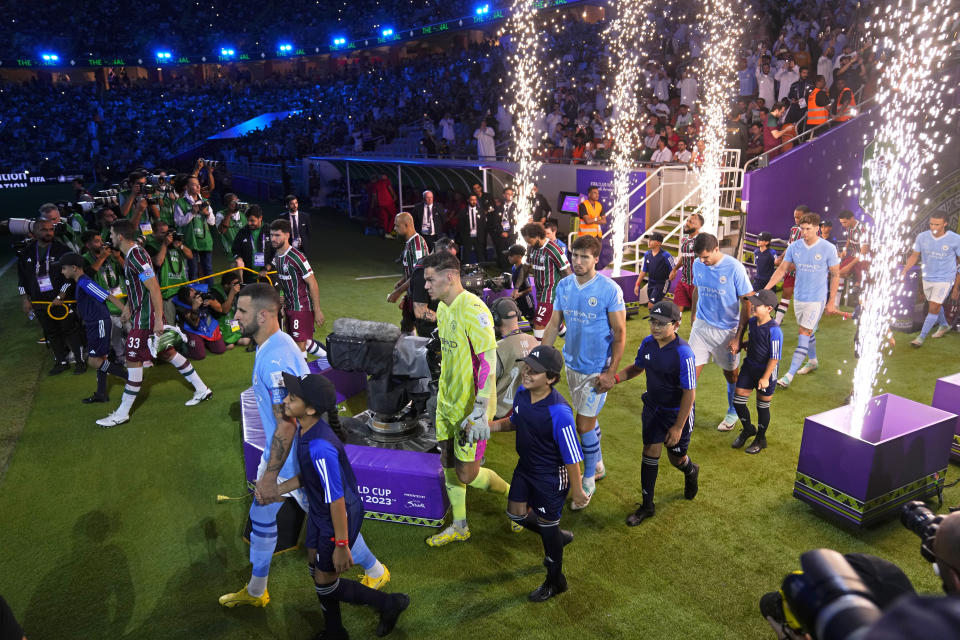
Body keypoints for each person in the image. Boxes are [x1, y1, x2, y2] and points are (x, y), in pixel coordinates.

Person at [264, 373, 408, 637]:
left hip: (336, 517)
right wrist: (279, 489)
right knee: (315, 567)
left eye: (292, 398)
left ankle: (389, 603)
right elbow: (311, 477)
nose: (285, 400)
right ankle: (335, 630)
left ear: (310, 409)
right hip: (322, 514)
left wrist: (342, 545)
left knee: (324, 581)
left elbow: (337, 501)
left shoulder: (320, 446)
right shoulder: (306, 429)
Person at [219, 282, 310, 608]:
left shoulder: (274, 360)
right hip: (285, 454)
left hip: (296, 458)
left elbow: (287, 423)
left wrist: (271, 477)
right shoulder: (274, 343)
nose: (236, 315)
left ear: (263, 315)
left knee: (332, 528)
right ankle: (257, 591)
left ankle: (374, 571)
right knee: (261, 516)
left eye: (242, 311)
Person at [421, 251, 511, 547]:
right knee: (448, 464)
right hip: (447, 403)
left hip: (471, 408)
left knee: (468, 473)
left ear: (450, 277)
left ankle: (516, 496)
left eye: (430, 279)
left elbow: (488, 361)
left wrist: (481, 408)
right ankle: (460, 525)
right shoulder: (445, 308)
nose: (426, 286)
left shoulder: (474, 309)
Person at [487, 345, 586, 602]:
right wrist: (490, 427)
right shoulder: (522, 392)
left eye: (535, 371)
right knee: (515, 514)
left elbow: (572, 458)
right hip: (526, 467)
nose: (527, 373)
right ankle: (555, 535)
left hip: (550, 477)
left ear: (551, 379)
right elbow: (513, 422)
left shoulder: (560, 413)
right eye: (527, 366)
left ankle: (556, 581)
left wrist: (577, 490)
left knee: (547, 526)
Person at [95, 219, 212, 428]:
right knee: (168, 354)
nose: (109, 237)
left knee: (133, 363)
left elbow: (154, 288)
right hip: (142, 316)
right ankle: (202, 389)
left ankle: (122, 413)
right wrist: (129, 308)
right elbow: (137, 287)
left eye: (111, 234)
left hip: (146, 322)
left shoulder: (137, 255)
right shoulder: (132, 255)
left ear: (120, 236)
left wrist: (158, 319)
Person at [542, 235, 626, 508]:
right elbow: (554, 324)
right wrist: (541, 358)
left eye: (584, 257)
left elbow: (620, 333)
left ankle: (588, 475)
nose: (578, 262)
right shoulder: (564, 286)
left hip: (596, 369)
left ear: (596, 259)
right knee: (587, 418)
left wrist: (611, 373)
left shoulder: (609, 289)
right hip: (573, 364)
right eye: (575, 256)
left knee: (583, 423)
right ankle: (598, 463)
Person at [614, 300, 698, 525]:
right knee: (650, 451)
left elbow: (689, 394)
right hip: (653, 409)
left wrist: (678, 426)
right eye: (653, 321)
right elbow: (637, 367)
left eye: (662, 323)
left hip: (676, 413)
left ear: (676, 324)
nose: (655, 326)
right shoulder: (647, 343)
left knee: (676, 458)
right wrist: (615, 378)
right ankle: (646, 505)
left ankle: (690, 471)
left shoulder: (684, 353)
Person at [764, 212, 840, 389]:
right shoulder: (794, 247)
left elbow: (835, 275)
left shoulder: (828, 248)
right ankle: (813, 361)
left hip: (816, 299)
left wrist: (831, 301)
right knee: (808, 331)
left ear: (817, 228)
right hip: (799, 297)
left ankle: (789, 375)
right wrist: (766, 289)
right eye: (802, 229)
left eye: (808, 229)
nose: (804, 232)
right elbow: (782, 270)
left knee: (804, 332)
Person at [689, 233, 754, 431]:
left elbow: (748, 301)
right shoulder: (698, 264)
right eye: (700, 257)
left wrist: (738, 336)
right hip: (701, 327)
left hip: (727, 330)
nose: (703, 261)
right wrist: (693, 316)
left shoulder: (735, 268)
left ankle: (733, 411)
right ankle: (686, 416)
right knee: (689, 373)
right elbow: (697, 289)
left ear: (717, 249)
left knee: (731, 375)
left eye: (706, 257)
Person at [55, 253, 128, 403]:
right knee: (100, 358)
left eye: (64, 268)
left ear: (74, 268)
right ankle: (101, 394)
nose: (62, 272)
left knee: (94, 361)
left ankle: (131, 379)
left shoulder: (84, 282)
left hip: (98, 323)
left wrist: (125, 311)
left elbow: (108, 296)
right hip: (94, 323)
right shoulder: (81, 282)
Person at [17, 218, 85, 375]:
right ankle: (61, 362)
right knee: (51, 332)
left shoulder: (62, 250)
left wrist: (61, 295)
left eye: (51, 229)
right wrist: (25, 299)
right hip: (39, 301)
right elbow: (22, 279)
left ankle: (80, 362)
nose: (49, 233)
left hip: (62, 301)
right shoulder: (26, 252)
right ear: (34, 232)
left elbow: (71, 277)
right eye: (44, 229)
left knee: (71, 330)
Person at [729, 289, 782, 454]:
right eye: (754, 303)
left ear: (769, 309)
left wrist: (766, 378)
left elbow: (774, 357)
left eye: (757, 304)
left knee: (762, 407)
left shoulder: (775, 330)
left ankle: (761, 438)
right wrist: (743, 345)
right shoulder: (752, 322)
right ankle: (748, 429)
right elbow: (755, 340)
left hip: (765, 372)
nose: (753, 306)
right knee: (738, 401)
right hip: (749, 367)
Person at [268, 219, 326, 358]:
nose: (273, 239)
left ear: (287, 235)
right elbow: (283, 281)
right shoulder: (277, 257)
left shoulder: (297, 257)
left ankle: (302, 378)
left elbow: (313, 283)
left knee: (298, 346)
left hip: (301, 307)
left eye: (277, 235)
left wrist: (317, 310)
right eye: (271, 235)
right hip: (289, 306)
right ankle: (331, 360)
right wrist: (282, 299)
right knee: (301, 343)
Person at [900, 212, 960, 347]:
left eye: (937, 224)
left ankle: (920, 338)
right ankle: (944, 325)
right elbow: (915, 255)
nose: (933, 226)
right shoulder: (922, 237)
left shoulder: (955, 239)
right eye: (931, 223)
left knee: (933, 307)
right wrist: (905, 270)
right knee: (935, 305)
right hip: (927, 277)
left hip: (945, 278)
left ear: (945, 224)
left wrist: (956, 285)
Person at [81, 229, 128, 361]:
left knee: (132, 330)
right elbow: (87, 276)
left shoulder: (112, 255)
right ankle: (120, 357)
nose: (102, 244)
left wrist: (118, 257)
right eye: (97, 242)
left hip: (123, 302)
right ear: (87, 245)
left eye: (101, 240)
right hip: (104, 305)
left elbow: (128, 271)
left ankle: (137, 355)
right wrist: (102, 258)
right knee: (114, 335)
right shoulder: (84, 259)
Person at [521, 222, 571, 340]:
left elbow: (568, 273)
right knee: (553, 322)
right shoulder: (533, 248)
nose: (528, 244)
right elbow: (525, 268)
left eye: (529, 241)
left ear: (537, 236)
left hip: (551, 294)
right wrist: (517, 288)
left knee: (538, 324)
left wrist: (570, 294)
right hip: (540, 293)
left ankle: (538, 354)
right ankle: (573, 343)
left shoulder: (554, 249)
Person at [491, 297, 539, 419]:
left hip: (502, 412)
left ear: (496, 319)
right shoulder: (533, 341)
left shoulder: (497, 348)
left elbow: (486, 384)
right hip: (529, 407)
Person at [144, 219, 193, 334]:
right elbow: (157, 262)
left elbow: (190, 255)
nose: (167, 235)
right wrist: (165, 245)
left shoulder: (176, 244)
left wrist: (180, 246)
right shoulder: (151, 246)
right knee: (169, 325)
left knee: (186, 321)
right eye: (163, 233)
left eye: (168, 232)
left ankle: (185, 345)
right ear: (154, 233)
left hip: (182, 289)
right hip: (166, 291)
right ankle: (169, 347)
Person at [387, 212, 429, 333]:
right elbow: (412, 271)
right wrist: (402, 281)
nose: (394, 228)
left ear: (406, 225)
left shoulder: (417, 246)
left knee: (422, 330)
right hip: (413, 295)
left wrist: (398, 293)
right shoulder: (410, 243)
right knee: (406, 325)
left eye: (396, 226)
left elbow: (419, 275)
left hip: (420, 298)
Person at [173, 174, 216, 280]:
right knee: (193, 270)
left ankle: (209, 293)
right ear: (186, 187)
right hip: (190, 241)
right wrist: (192, 212)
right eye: (194, 185)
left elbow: (212, 223)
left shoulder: (205, 202)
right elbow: (179, 222)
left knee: (208, 269)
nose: (198, 187)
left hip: (205, 241)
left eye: (198, 185)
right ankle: (194, 295)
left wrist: (207, 214)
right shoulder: (180, 202)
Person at [773, 205, 811, 324]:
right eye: (795, 217)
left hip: (806, 270)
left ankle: (810, 322)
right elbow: (790, 245)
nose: (796, 220)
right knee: (786, 293)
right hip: (792, 269)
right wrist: (781, 256)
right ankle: (777, 321)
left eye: (799, 217)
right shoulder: (794, 229)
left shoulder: (814, 231)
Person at [172, 286, 228, 360]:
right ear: (187, 300)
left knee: (220, 350)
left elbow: (220, 309)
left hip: (208, 325)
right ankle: (185, 347)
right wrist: (195, 309)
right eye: (193, 297)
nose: (197, 297)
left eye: (195, 294)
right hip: (193, 330)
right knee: (199, 355)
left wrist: (211, 302)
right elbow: (195, 325)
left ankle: (205, 343)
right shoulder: (182, 307)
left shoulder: (203, 293)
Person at [667, 212, 704, 314]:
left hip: (697, 283)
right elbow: (684, 257)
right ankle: (673, 329)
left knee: (697, 314)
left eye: (691, 222)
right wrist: (674, 270)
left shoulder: (702, 240)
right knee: (676, 311)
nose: (687, 223)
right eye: (687, 220)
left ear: (698, 226)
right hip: (684, 280)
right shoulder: (684, 239)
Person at [231, 205, 273, 284]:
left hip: (268, 275)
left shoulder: (270, 231)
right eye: (248, 220)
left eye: (252, 221)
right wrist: (238, 258)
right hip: (249, 276)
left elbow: (277, 252)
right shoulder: (243, 232)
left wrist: (266, 268)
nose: (249, 223)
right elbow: (235, 249)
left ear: (260, 218)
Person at [633, 232, 675, 307]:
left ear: (658, 243)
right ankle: (661, 317)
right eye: (649, 239)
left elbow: (674, 269)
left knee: (651, 304)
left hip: (662, 283)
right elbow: (643, 271)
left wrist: (672, 276)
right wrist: (637, 284)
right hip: (651, 282)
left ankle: (654, 317)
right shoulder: (647, 254)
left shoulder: (666, 255)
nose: (648, 241)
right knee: (657, 304)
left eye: (651, 240)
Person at [506, 245, 536, 326]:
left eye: (511, 255)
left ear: (519, 257)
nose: (509, 257)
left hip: (526, 300)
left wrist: (519, 294)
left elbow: (529, 289)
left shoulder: (523, 270)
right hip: (518, 299)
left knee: (532, 321)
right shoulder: (513, 267)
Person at [457, 193, 486, 264]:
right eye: (472, 200)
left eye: (475, 200)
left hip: (478, 236)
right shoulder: (463, 211)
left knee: (480, 255)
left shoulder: (481, 211)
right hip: (467, 236)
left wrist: (482, 235)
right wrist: (463, 236)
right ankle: (465, 270)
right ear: (468, 200)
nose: (474, 201)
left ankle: (482, 270)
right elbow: (460, 225)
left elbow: (484, 224)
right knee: (466, 255)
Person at [495, 187, 519, 270]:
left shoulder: (517, 207)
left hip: (512, 235)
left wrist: (509, 233)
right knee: (502, 252)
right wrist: (501, 232)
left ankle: (512, 269)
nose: (509, 196)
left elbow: (518, 223)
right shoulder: (499, 207)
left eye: (511, 194)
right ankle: (503, 269)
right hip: (501, 234)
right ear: (504, 195)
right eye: (507, 194)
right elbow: (496, 222)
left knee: (512, 252)